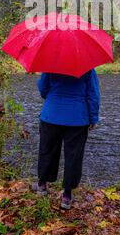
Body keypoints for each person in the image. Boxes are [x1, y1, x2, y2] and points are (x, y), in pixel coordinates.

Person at [32, 69, 100, 209]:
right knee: (73, 156)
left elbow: (43, 88)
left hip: (51, 115)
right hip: (77, 118)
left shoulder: (50, 64)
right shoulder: (87, 68)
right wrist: (93, 117)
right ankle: (67, 196)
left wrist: (53, 98)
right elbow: (93, 94)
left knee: (47, 150)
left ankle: (42, 185)